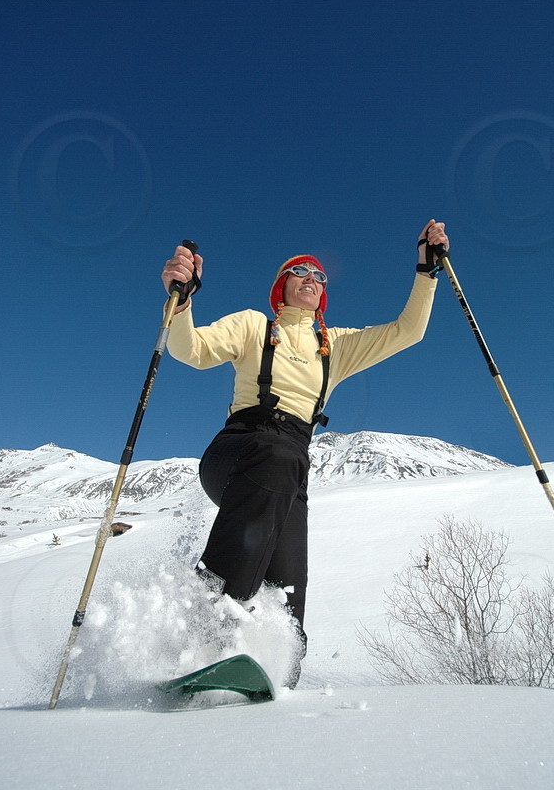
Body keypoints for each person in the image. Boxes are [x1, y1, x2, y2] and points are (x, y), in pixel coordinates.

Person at [161, 219, 449, 686]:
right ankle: (207, 624)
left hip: (291, 466)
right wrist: (181, 300)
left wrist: (425, 272)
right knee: (279, 458)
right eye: (300, 272)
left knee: (288, 579)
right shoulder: (255, 326)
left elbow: (407, 331)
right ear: (281, 286)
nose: (312, 280)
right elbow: (188, 349)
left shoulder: (335, 345)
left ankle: (277, 671)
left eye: (320, 276)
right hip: (239, 449)